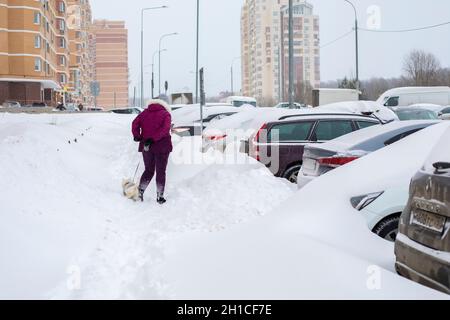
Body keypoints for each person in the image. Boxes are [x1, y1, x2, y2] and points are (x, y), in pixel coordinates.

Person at [132, 98, 172, 204]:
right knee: (160, 171)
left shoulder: (144, 113)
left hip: (147, 146)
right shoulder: (165, 114)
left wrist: (137, 136)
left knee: (148, 170)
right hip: (162, 147)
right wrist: (154, 138)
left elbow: (134, 123)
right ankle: (160, 196)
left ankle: (140, 192)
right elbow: (165, 129)